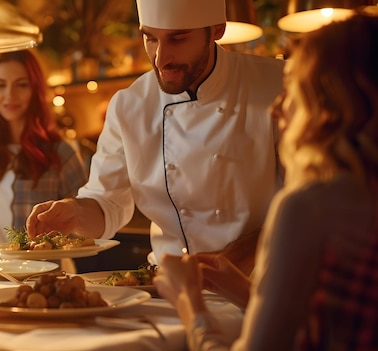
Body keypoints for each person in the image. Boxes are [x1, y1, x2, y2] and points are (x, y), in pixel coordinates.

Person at [154, 13, 378, 350]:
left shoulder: (308, 208)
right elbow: (329, 325)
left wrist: (190, 304)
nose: (277, 110)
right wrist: (243, 289)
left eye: (294, 90)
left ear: (331, 105)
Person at [26, 0, 284, 275]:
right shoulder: (129, 105)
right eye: (150, 38)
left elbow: (312, 203)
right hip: (169, 284)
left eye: (178, 39)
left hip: (261, 285)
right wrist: (74, 212)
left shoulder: (279, 86)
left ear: (217, 29)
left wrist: (228, 262)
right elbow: (107, 203)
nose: (161, 58)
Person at [0, 49, 88, 253]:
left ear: (36, 90)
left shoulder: (61, 153)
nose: (10, 95)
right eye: (0, 85)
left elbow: (85, 224)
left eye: (22, 85)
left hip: (43, 278)